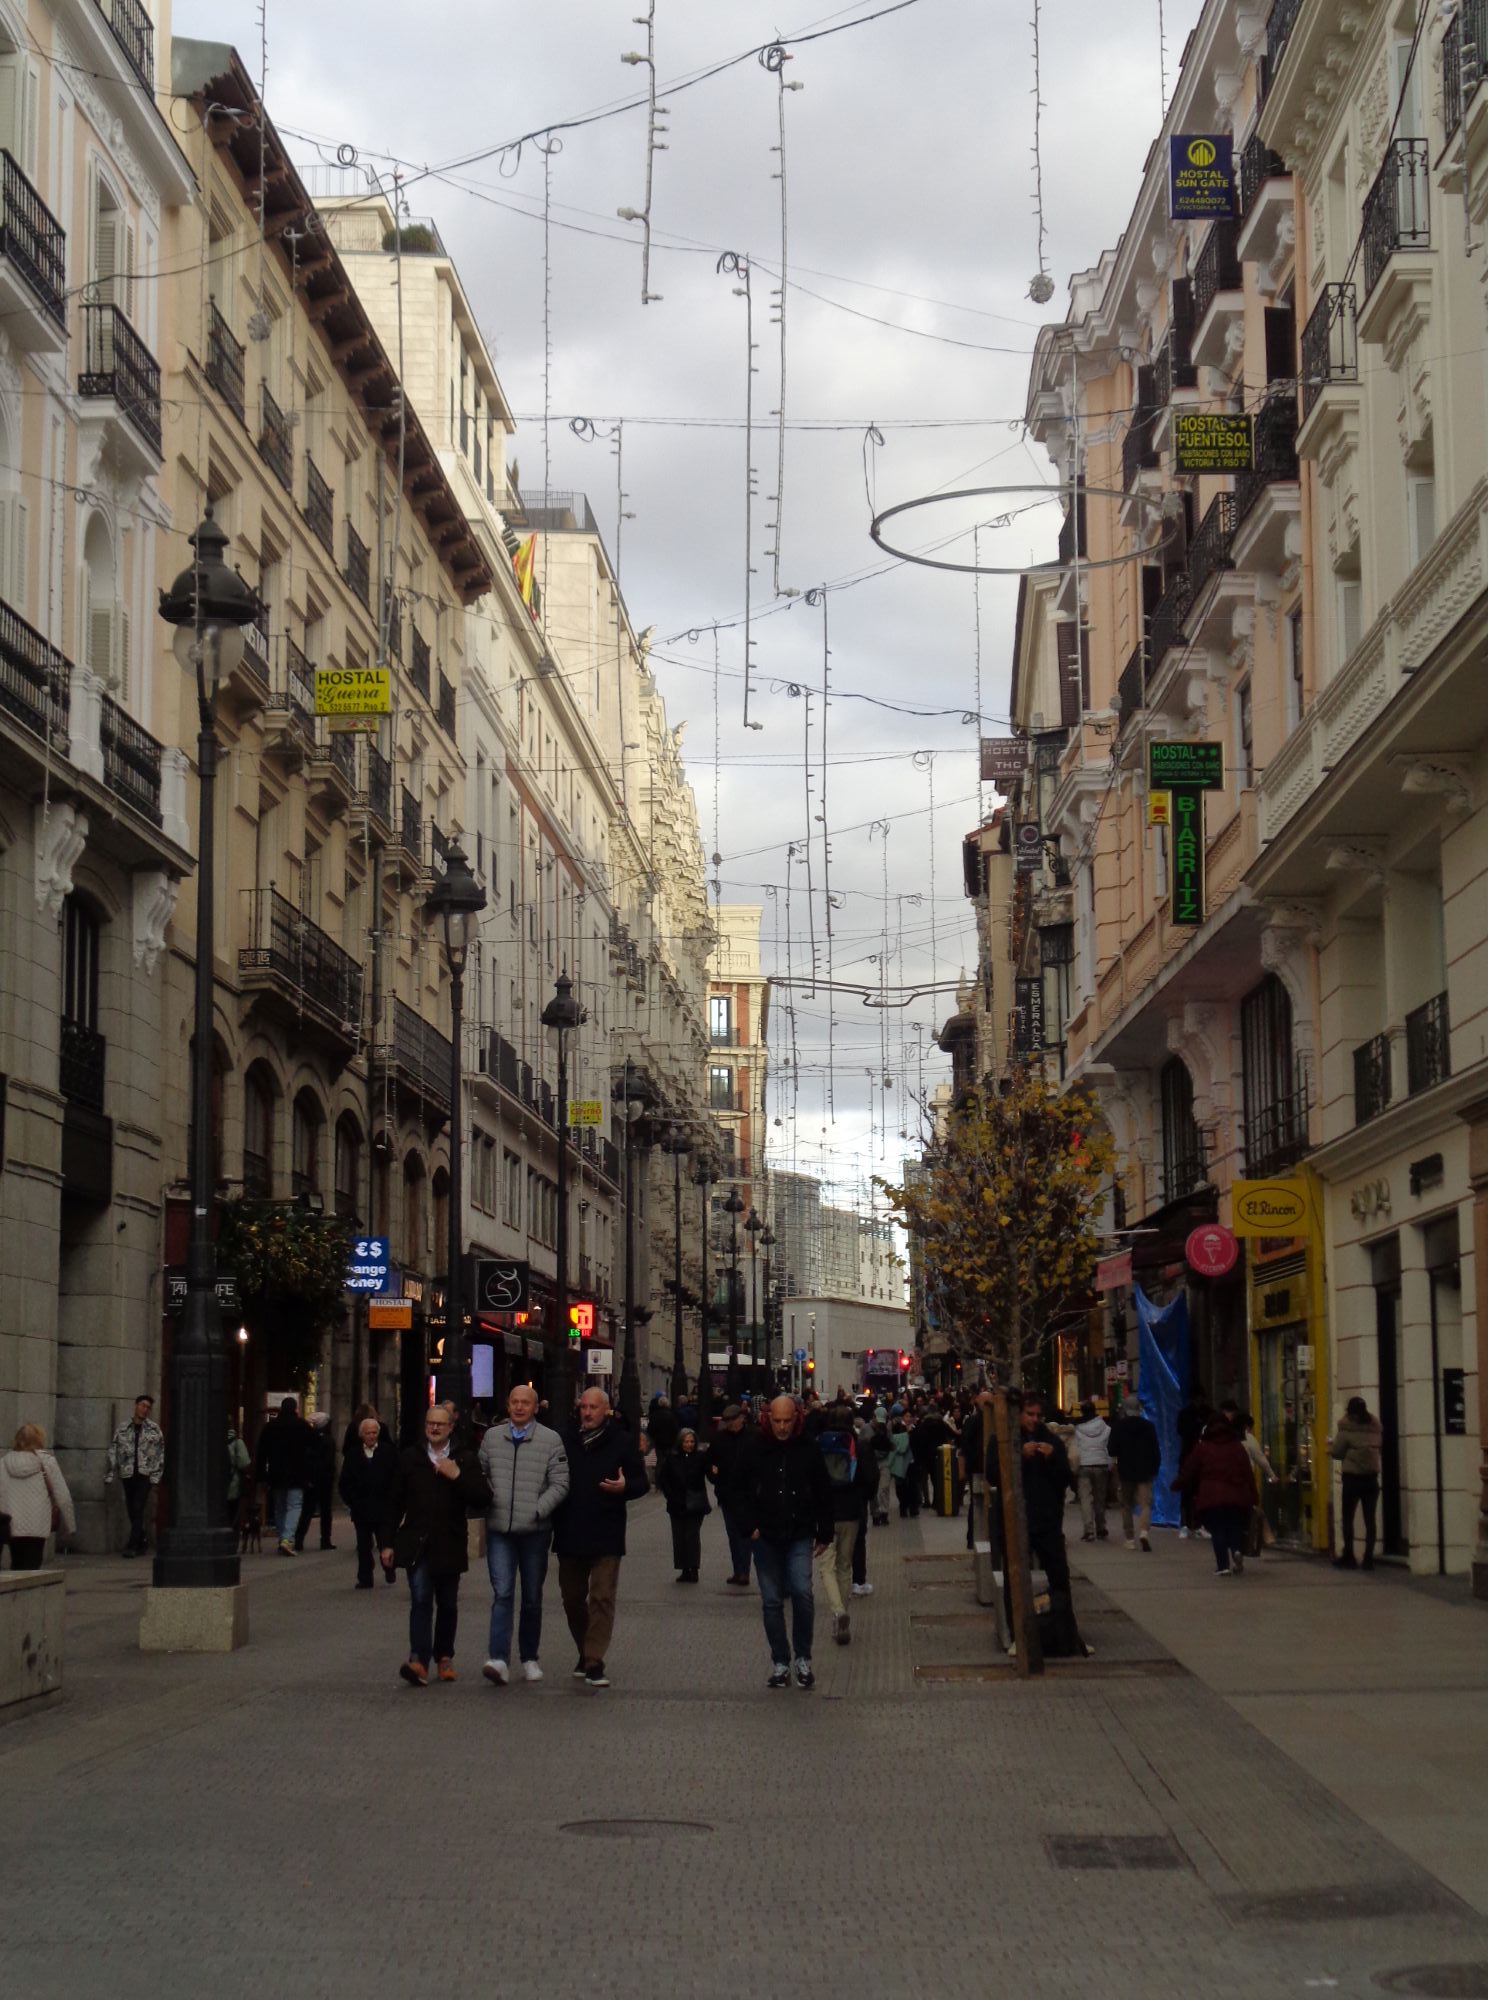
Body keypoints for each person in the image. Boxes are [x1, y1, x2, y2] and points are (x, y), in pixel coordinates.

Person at [379, 1404, 488, 1684]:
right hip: (417, 1542)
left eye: (440, 1424)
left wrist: (457, 1476)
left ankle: (444, 1656)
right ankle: (418, 1659)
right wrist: (387, 1543)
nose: (435, 1428)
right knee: (420, 1600)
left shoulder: (464, 1457)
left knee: (448, 1604)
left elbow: (482, 1497)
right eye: (430, 1423)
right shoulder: (410, 1458)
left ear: (451, 1427)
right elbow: (394, 1502)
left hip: (450, 1541)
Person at [553, 1387, 649, 1689]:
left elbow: (641, 1482)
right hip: (570, 1530)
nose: (587, 1412)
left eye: (593, 1407)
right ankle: (585, 1649)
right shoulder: (564, 1439)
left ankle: (594, 1660)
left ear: (605, 1410)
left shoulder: (621, 1441)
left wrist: (625, 1487)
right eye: (583, 1407)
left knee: (602, 1597)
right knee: (572, 1599)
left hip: (606, 1531)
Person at [736, 1396, 833, 1689]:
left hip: (799, 1532)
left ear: (796, 1419)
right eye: (777, 1421)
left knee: (802, 1592)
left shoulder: (808, 1447)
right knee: (772, 1600)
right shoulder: (754, 1447)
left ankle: (803, 1658)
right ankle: (780, 1661)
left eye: (787, 1421)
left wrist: (824, 1531)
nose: (781, 1427)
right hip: (765, 1535)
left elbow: (823, 1490)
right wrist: (748, 1525)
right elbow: (737, 1488)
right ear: (769, 1418)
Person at [478, 1382, 569, 1682]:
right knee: (503, 1593)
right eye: (514, 1402)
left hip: (535, 1531)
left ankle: (529, 1657)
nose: (519, 1407)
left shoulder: (550, 1440)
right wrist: (489, 1498)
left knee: (531, 1596)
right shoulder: (492, 1438)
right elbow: (480, 1474)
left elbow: (560, 1483)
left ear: (535, 1407)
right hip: (500, 1529)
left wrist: (538, 1509)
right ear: (507, 1405)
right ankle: (498, 1659)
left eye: (525, 1402)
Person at [813, 1401, 870, 1643]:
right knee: (845, 1565)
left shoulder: (818, 1444)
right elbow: (870, 1477)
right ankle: (843, 1614)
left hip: (825, 1513)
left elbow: (811, 1480)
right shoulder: (859, 1444)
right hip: (851, 1512)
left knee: (826, 1566)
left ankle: (838, 1612)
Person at [1173, 1411, 1255, 1576]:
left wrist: (1178, 1484)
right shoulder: (1237, 1446)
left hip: (1212, 1496)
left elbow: (1190, 1468)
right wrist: (1253, 1495)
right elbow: (1247, 1472)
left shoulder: (1203, 1447)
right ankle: (1236, 1550)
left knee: (1218, 1529)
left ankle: (1223, 1566)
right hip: (1236, 1493)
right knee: (1234, 1525)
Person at [0, 1425, 75, 1569]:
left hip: (12, 1524)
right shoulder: (47, 1462)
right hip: (38, 1524)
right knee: (33, 1564)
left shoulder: (3, 1462)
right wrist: (70, 1525)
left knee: (16, 1562)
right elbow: (63, 1495)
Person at [339, 1414, 400, 1588]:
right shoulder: (353, 1454)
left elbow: (397, 1478)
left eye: (374, 1433)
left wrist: (393, 1501)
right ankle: (365, 1577)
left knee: (385, 1542)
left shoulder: (389, 1452)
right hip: (361, 1508)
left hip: (383, 1507)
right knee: (363, 1545)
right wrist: (352, 1502)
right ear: (361, 1435)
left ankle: (389, 1567)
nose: (372, 1436)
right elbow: (345, 1482)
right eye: (368, 1433)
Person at [254, 1396, 316, 1557]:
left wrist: (261, 1476)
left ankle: (283, 1537)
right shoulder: (301, 1425)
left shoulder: (270, 1426)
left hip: (276, 1473)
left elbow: (261, 1453)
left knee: (279, 1507)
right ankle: (287, 1539)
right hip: (297, 1473)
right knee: (294, 1505)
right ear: (295, 1408)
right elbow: (315, 1445)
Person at [104, 1393, 163, 1557]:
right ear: (136, 1406)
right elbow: (114, 1449)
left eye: (148, 1407)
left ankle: (132, 1545)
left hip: (145, 1475)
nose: (145, 1409)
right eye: (142, 1405)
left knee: (138, 1507)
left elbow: (159, 1453)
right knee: (131, 1509)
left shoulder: (154, 1429)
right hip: (127, 1473)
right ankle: (142, 1539)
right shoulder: (123, 1428)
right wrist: (111, 1472)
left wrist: (156, 1476)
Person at [1330, 1395, 1384, 1570]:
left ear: (1351, 1412)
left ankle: (1349, 1556)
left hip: (1352, 1479)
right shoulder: (1375, 1428)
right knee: (1370, 1520)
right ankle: (1368, 1558)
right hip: (1371, 1480)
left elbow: (1337, 1452)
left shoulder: (1347, 1429)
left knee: (1348, 1518)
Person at [707, 1403, 755, 1586]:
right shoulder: (719, 1439)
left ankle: (744, 1571)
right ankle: (738, 1570)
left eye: (732, 1419)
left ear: (741, 1418)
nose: (729, 1423)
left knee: (745, 1533)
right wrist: (714, 1477)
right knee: (733, 1534)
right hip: (727, 1493)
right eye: (726, 1420)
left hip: (747, 1493)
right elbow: (708, 1461)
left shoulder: (752, 1437)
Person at [657, 1428, 711, 1582]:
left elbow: (709, 1474)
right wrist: (670, 1495)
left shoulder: (701, 1457)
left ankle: (693, 1568)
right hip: (676, 1503)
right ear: (680, 1443)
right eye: (686, 1441)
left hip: (695, 1502)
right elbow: (663, 1479)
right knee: (679, 1537)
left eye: (692, 1441)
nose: (689, 1444)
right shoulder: (672, 1458)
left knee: (691, 1536)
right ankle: (684, 1568)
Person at [1108, 1400, 1161, 1551]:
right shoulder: (1149, 1426)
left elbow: (1112, 1450)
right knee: (1145, 1504)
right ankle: (1144, 1532)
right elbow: (1155, 1450)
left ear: (1125, 1410)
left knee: (1126, 1505)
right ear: (1139, 1409)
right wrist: (1154, 1468)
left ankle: (1129, 1538)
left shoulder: (1118, 1427)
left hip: (1125, 1471)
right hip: (1145, 1470)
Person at [295, 1410, 337, 1552]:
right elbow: (328, 1462)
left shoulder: (310, 1440)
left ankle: (299, 1539)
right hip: (324, 1480)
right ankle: (325, 1540)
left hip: (311, 1479)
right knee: (325, 1511)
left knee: (307, 1511)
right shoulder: (328, 1440)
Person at [1073, 1399, 1112, 1541]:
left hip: (1084, 1464)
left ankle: (1089, 1530)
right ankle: (1101, 1527)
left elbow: (1075, 1448)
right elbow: (1109, 1448)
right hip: (1101, 1464)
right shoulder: (1106, 1428)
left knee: (1085, 1499)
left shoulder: (1077, 1428)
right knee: (1100, 1498)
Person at [1176, 1384, 1210, 1539]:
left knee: (1195, 1492)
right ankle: (1188, 1524)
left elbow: (1181, 1431)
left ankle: (1196, 1524)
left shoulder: (1204, 1413)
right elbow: (1181, 1431)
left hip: (1192, 1456)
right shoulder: (1188, 1414)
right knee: (1189, 1492)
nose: (1199, 1401)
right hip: (1191, 1456)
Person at [887, 1415, 918, 1518]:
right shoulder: (907, 1432)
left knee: (902, 1486)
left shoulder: (895, 1434)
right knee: (910, 1486)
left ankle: (904, 1508)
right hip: (908, 1461)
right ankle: (911, 1508)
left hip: (901, 1463)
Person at [226, 1424, 252, 1529]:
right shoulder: (237, 1443)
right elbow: (244, 1464)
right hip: (233, 1487)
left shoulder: (211, 1441)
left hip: (213, 1491)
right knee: (232, 1516)